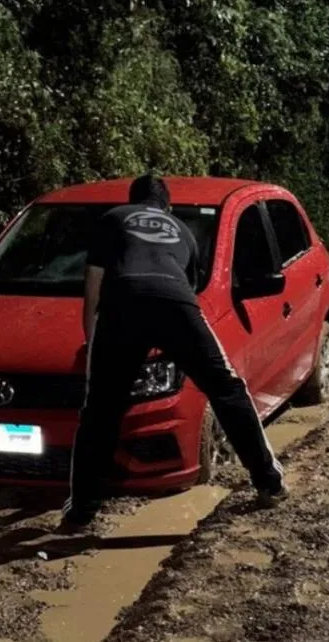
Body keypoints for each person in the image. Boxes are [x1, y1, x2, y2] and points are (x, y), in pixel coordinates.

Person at [62, 174, 288, 530]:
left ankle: (81, 512)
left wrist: (94, 341)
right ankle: (269, 481)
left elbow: (94, 282)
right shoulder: (183, 230)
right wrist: (169, 335)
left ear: (133, 200)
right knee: (226, 388)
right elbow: (189, 289)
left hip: (122, 305)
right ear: (166, 206)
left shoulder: (113, 219)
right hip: (176, 303)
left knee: (100, 410)